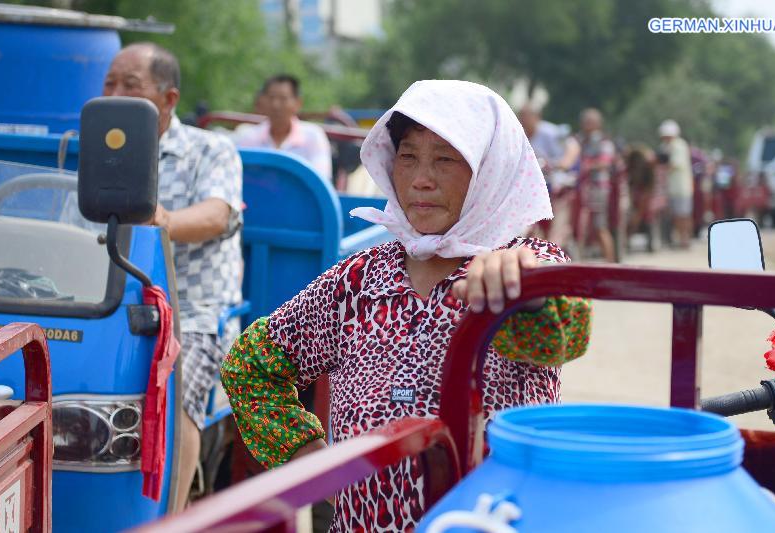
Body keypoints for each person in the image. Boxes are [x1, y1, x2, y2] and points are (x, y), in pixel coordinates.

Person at [222, 80, 592, 531]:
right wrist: (311, 462)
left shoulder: (527, 265)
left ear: (489, 169)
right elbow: (250, 366)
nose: (420, 178)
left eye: (445, 158)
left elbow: (564, 333)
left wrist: (521, 288)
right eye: (408, 156)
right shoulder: (356, 280)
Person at [102, 42, 244, 511]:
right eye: (110, 83)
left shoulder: (210, 149)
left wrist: (161, 219)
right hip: (108, 302)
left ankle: (171, 516)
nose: (116, 94)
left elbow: (218, 215)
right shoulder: (93, 145)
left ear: (168, 99)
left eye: (131, 85)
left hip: (192, 313)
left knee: (176, 386)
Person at [232, 74, 333, 181]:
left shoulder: (313, 137)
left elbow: (320, 180)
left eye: (283, 98)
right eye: (271, 98)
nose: (276, 105)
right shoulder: (248, 137)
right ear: (262, 101)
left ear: (298, 103)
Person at [518, 105, 580, 251]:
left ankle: (557, 245)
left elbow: (573, 146)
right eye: (521, 117)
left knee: (557, 223)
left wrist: (565, 163)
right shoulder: (518, 133)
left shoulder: (550, 132)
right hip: (532, 185)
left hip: (555, 182)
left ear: (537, 117)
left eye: (527, 117)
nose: (524, 121)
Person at [576, 108, 616, 262]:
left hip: (598, 189)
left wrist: (586, 166)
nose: (585, 125)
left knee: (600, 226)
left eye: (589, 122)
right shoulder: (582, 141)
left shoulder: (603, 142)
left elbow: (605, 163)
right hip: (584, 188)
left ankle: (610, 263)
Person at [658, 119, 693, 248]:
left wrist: (661, 168)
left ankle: (685, 239)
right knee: (676, 216)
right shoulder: (664, 147)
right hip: (670, 188)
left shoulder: (679, 145)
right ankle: (680, 239)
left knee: (683, 215)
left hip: (682, 187)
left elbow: (675, 164)